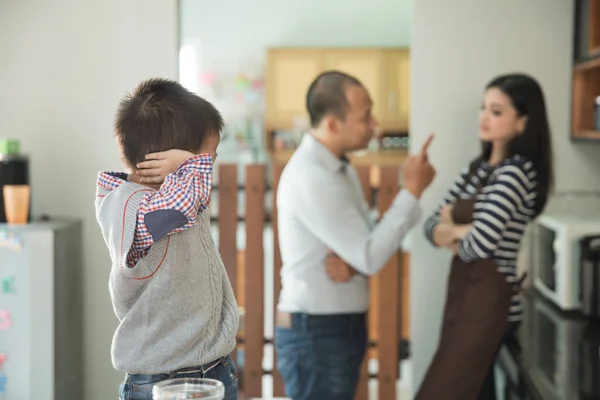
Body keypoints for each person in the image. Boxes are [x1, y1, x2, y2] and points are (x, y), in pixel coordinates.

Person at [274, 70, 436, 400]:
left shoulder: (338, 167)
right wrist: (413, 191)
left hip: (333, 325)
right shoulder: (313, 176)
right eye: (365, 117)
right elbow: (369, 253)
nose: (375, 124)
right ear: (333, 124)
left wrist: (357, 260)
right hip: (318, 329)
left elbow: (364, 242)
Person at [94, 78, 239, 400]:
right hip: (162, 379)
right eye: (206, 159)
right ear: (165, 162)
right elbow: (177, 208)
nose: (206, 169)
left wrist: (185, 167)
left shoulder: (180, 191)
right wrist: (189, 166)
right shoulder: (130, 206)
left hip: (210, 367)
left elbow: (189, 198)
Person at [415, 73, 554, 400]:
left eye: (496, 111)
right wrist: (459, 232)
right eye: (483, 108)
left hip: (492, 307)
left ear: (522, 122)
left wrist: (455, 233)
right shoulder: (477, 169)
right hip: (465, 302)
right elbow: (429, 226)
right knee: (472, 391)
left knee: (446, 392)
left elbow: (481, 244)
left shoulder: (516, 172)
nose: (484, 117)